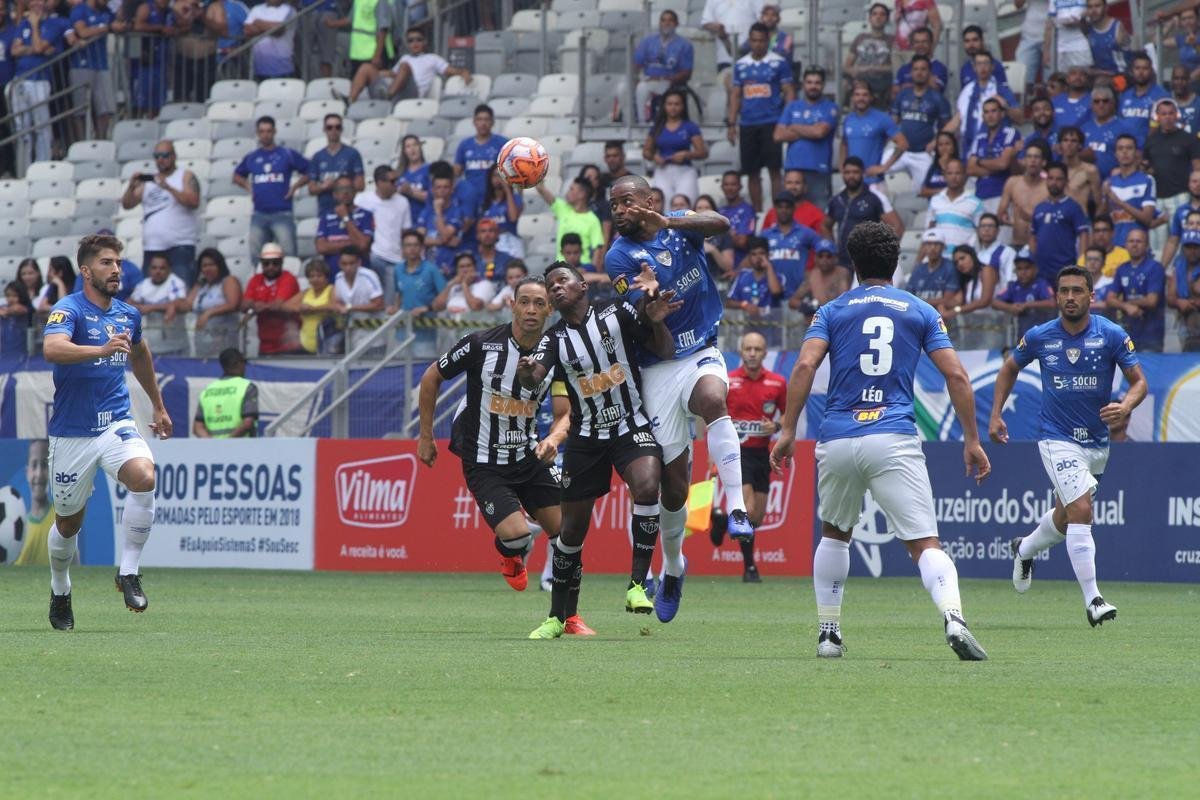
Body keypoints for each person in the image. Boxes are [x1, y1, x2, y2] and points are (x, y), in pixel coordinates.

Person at [771, 221, 991, 660]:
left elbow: (803, 368)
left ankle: (829, 634)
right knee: (925, 543)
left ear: (854, 265)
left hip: (838, 436)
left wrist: (789, 428)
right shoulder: (920, 310)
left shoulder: (832, 310)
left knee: (834, 534)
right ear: (897, 263)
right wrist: (972, 438)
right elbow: (956, 375)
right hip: (891, 434)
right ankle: (953, 618)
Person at [605, 174, 753, 623]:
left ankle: (738, 508)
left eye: (626, 202)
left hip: (703, 348)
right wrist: (651, 308)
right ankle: (674, 567)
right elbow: (643, 321)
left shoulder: (682, 225)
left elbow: (722, 223)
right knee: (673, 489)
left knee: (713, 399)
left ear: (649, 201)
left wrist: (669, 218)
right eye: (613, 205)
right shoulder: (618, 257)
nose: (619, 211)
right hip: (657, 366)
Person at [518, 262, 678, 638]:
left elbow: (665, 349)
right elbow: (533, 376)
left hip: (630, 424)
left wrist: (655, 322)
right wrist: (526, 370)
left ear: (582, 286)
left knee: (647, 486)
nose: (555, 288)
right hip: (587, 438)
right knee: (571, 532)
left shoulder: (617, 312)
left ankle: (638, 585)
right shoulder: (553, 339)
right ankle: (558, 616)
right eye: (550, 285)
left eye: (562, 281)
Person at [990, 265, 1145, 627]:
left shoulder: (1111, 335)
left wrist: (1126, 405)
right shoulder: (1040, 336)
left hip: (1096, 443)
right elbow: (1009, 368)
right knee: (1080, 509)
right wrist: (996, 415)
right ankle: (1094, 600)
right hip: (1056, 437)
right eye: (1064, 291)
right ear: (1056, 295)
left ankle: (1024, 548)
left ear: (1092, 296)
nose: (1070, 297)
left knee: (1065, 516)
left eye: (1078, 291)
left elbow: (1139, 383)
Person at [42, 234, 173, 630]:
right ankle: (61, 588)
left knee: (144, 476)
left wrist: (158, 404)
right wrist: (98, 351)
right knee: (69, 523)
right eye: (106, 263)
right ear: (86, 270)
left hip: (115, 422)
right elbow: (52, 349)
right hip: (72, 434)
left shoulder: (127, 314)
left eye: (117, 262)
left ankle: (128, 572)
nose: (116, 269)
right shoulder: (68, 310)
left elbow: (139, 353)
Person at [417, 277, 566, 598]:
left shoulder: (557, 355)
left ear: (550, 310)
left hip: (528, 455)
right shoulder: (480, 343)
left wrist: (554, 437)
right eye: (524, 301)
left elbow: (565, 412)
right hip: (484, 460)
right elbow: (431, 377)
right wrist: (425, 436)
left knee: (566, 532)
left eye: (539, 304)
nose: (530, 310)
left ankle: (568, 614)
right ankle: (512, 553)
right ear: (511, 305)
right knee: (517, 536)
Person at [716, 331, 786, 582]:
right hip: (736, 452)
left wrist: (776, 427)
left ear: (765, 353)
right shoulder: (728, 380)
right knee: (747, 507)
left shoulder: (777, 382)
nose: (753, 353)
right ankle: (750, 568)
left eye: (757, 349)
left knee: (757, 517)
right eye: (748, 349)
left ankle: (722, 521)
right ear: (741, 351)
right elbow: (711, 416)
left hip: (762, 454)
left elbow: (787, 416)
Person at [728, 22, 794, 212]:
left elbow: (789, 91)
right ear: (750, 41)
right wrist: (732, 123)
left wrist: (786, 120)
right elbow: (735, 95)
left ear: (767, 41)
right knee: (752, 172)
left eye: (762, 41)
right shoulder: (741, 65)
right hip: (748, 123)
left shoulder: (779, 62)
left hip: (771, 122)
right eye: (754, 40)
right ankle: (757, 213)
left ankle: (775, 212)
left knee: (774, 171)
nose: (758, 44)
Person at [121, 141, 201, 285]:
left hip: (180, 245)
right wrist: (131, 186)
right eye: (157, 156)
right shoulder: (150, 181)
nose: (160, 160)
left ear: (174, 156)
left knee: (181, 289)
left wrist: (168, 187)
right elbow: (127, 204)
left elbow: (194, 201)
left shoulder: (185, 176)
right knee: (149, 292)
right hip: (152, 247)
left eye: (165, 155)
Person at [234, 116, 310, 262]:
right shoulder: (252, 157)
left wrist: (295, 187)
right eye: (262, 131)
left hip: (282, 212)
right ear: (257, 133)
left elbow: (310, 170)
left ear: (274, 132)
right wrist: (249, 187)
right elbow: (237, 175)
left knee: (289, 256)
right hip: (259, 214)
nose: (265, 134)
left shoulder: (286, 154)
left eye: (269, 131)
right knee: (257, 257)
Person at [11, 0, 72, 162]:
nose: (35, 4)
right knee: (22, 129)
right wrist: (33, 49)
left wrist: (35, 26)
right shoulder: (23, 24)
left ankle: (41, 166)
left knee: (42, 127)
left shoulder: (53, 24)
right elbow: (14, 50)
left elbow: (39, 47)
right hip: (21, 80)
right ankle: (23, 169)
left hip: (40, 80)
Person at [346, 25, 470, 102]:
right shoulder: (405, 57)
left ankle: (388, 96)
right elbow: (393, 74)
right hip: (396, 88)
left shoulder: (433, 58)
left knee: (404, 66)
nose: (414, 43)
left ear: (425, 42)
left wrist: (463, 72)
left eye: (418, 40)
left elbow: (449, 70)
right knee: (366, 67)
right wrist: (375, 74)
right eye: (411, 41)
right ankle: (350, 100)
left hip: (412, 94)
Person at [775, 66, 839, 211]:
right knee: (791, 215)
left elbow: (820, 133)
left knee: (819, 214)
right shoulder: (792, 106)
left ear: (823, 85)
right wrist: (810, 128)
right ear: (803, 84)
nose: (813, 86)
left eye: (817, 83)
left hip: (818, 171)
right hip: (793, 170)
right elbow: (778, 135)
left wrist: (794, 126)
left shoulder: (830, 107)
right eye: (809, 82)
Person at [824, 157, 904, 268]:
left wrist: (882, 253)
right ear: (842, 174)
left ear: (863, 173)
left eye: (855, 172)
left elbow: (898, 226)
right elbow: (825, 226)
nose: (851, 176)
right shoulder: (836, 200)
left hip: (867, 261)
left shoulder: (876, 197)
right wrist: (832, 249)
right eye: (847, 172)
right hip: (842, 262)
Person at [1144, 99, 1200, 255]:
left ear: (1176, 115)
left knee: (1179, 242)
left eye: (1170, 113)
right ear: (1158, 116)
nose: (1167, 117)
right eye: (1163, 114)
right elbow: (1146, 165)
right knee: (1156, 245)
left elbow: (1197, 167)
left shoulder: (1188, 139)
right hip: (1157, 198)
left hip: (1180, 195)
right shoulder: (1151, 140)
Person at [888, 56, 950, 188]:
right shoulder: (903, 95)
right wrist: (895, 139)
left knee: (923, 192)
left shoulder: (938, 98)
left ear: (929, 73)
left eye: (923, 69)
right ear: (911, 72)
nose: (919, 72)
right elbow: (892, 123)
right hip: (901, 151)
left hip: (923, 153)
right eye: (916, 69)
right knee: (875, 171)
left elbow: (947, 128)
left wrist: (935, 142)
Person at [67, 0, 125, 140]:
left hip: (101, 64)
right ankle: (81, 142)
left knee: (105, 108)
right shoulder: (79, 10)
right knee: (80, 109)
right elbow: (83, 32)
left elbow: (119, 21)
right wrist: (107, 28)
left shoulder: (105, 11)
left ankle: (101, 140)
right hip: (81, 64)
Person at [841, 81, 908, 196]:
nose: (861, 98)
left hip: (874, 183)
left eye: (865, 95)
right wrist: (843, 170)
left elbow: (903, 143)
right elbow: (844, 144)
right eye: (857, 95)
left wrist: (884, 167)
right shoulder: (848, 119)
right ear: (852, 98)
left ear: (871, 98)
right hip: (851, 182)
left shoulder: (882, 118)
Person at [945, 51, 1020, 151]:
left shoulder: (1002, 90)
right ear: (974, 68)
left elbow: (1020, 119)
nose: (983, 67)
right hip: (968, 145)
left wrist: (1005, 106)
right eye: (979, 64)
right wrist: (940, 137)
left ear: (992, 67)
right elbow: (959, 118)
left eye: (986, 63)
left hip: (994, 146)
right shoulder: (967, 90)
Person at [1106, 228, 1166, 352]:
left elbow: (1152, 300)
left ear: (1147, 245)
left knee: (1149, 370)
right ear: (1126, 245)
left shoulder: (1155, 267)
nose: (1134, 244)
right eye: (1131, 241)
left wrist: (1129, 303)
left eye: (1139, 241)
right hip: (1128, 333)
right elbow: (1110, 298)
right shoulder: (1122, 268)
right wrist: (1126, 306)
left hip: (1151, 333)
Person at [1030, 162, 1091, 283]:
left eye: (1059, 179)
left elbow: (1083, 235)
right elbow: (1032, 236)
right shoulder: (1039, 208)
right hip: (1041, 272)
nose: (1054, 182)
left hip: (1066, 270)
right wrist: (1033, 261)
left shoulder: (1073, 207)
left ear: (1066, 182)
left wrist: (1081, 263)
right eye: (1051, 178)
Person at [645, 88, 706, 208]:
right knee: (664, 206)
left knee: (685, 206)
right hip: (663, 170)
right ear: (664, 106)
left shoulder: (690, 127)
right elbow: (646, 151)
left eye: (677, 104)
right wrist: (654, 157)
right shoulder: (657, 127)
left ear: (683, 106)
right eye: (670, 104)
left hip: (685, 170)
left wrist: (686, 155)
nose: (673, 107)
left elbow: (703, 152)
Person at [633, 9, 694, 124]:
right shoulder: (648, 41)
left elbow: (686, 72)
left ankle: (646, 123)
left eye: (670, 20)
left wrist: (664, 79)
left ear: (676, 24)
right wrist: (636, 77)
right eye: (663, 20)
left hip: (669, 82)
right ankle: (634, 122)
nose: (666, 23)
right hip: (646, 79)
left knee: (643, 88)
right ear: (659, 23)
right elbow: (637, 64)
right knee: (624, 88)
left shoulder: (684, 44)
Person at [241, 243, 302, 355]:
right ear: (261, 263)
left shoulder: (288, 278)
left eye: (275, 263)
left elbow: (277, 305)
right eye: (266, 263)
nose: (270, 267)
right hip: (265, 344)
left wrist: (256, 306)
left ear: (281, 262)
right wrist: (259, 306)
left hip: (288, 344)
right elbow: (244, 305)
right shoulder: (255, 279)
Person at [1103, 134, 1160, 248]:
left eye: (1129, 148)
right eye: (1120, 148)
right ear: (1115, 154)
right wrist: (1105, 198)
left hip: (1137, 246)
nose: (1124, 152)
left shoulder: (1147, 180)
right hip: (1114, 248)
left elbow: (1147, 219)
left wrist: (1120, 203)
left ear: (1137, 153)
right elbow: (1102, 218)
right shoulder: (1109, 183)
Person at [967, 98, 1023, 214]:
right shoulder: (979, 138)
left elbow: (1003, 164)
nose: (990, 115)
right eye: (986, 112)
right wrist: (996, 166)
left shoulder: (1010, 133)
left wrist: (980, 162)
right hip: (980, 195)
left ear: (1002, 114)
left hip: (1001, 194)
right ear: (982, 116)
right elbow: (970, 169)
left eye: (993, 111)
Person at [535, 178, 606, 267]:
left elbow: (598, 249)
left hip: (582, 268)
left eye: (571, 189)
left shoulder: (593, 220)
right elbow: (540, 189)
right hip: (561, 266)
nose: (567, 192)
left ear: (582, 194)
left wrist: (593, 270)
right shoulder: (563, 209)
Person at [129, 252, 189, 356]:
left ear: (169, 269)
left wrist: (150, 307)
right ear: (149, 269)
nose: (157, 271)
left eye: (162, 268)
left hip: (176, 346)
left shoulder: (175, 282)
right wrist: (137, 308)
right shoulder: (143, 285)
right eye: (154, 268)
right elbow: (129, 303)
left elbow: (181, 304)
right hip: (152, 347)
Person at [316, 176, 375, 277]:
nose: (345, 192)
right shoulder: (326, 216)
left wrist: (345, 218)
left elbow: (363, 245)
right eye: (341, 189)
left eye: (349, 188)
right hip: (332, 276)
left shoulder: (366, 214)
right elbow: (321, 247)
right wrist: (351, 245)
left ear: (355, 192)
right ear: (334, 194)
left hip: (360, 277)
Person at [761, 192, 822, 289]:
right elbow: (752, 256)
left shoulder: (806, 233)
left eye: (787, 207)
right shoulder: (765, 234)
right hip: (770, 292)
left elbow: (824, 250)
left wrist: (813, 271)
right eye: (780, 207)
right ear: (775, 209)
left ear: (794, 209)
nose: (784, 210)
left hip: (797, 291)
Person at [193, 348, 258, 438]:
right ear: (239, 363)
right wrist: (226, 444)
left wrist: (213, 445)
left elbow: (198, 427)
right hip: (242, 448)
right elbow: (247, 423)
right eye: (244, 363)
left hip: (214, 450)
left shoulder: (208, 390)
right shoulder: (247, 387)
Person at [307, 113, 365, 215]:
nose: (333, 130)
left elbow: (361, 185)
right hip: (325, 210)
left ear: (341, 129)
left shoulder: (352, 154)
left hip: (348, 209)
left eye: (337, 127)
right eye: (329, 127)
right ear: (324, 130)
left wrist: (340, 186)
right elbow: (311, 189)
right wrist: (323, 187)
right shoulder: (317, 157)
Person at [992, 246, 1056, 336]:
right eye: (1019, 268)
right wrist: (1010, 307)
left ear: (1035, 269)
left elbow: (1052, 303)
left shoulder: (1041, 284)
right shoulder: (1013, 286)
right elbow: (994, 302)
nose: (1023, 272)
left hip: (1043, 335)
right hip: (1020, 337)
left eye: (1027, 268)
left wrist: (1027, 305)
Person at [998, 140, 1050, 247]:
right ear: (1023, 161)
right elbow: (1000, 213)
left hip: (1040, 245)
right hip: (1017, 244)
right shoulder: (1012, 182)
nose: (1033, 160)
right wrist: (1007, 219)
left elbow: (1054, 217)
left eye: (1036, 157)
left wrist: (1029, 217)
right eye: (1029, 157)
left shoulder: (1049, 186)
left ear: (1043, 162)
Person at [927, 159, 984, 251]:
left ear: (965, 176)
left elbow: (981, 234)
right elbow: (929, 231)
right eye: (950, 173)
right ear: (944, 176)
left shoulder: (976, 203)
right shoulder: (935, 200)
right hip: (940, 259)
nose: (954, 177)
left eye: (958, 173)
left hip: (963, 260)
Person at [844, 4, 894, 107]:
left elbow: (895, 67)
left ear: (887, 19)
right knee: (845, 84)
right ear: (870, 18)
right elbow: (847, 66)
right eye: (874, 14)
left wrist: (871, 68)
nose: (878, 17)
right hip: (860, 82)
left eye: (882, 14)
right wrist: (854, 71)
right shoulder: (860, 38)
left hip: (882, 82)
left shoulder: (892, 40)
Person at [13, 440, 54, 565]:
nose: (39, 473)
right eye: (34, 465)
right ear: (27, 472)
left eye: (44, 465)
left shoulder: (61, 519)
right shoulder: (18, 528)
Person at [331, 245, 384, 342]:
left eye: (351, 263)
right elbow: (336, 301)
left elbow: (379, 304)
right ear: (339, 264)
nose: (348, 267)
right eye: (344, 264)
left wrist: (349, 307)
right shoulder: (338, 278)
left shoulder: (370, 276)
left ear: (359, 263)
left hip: (373, 334)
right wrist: (339, 308)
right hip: (352, 334)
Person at [454, 104, 507, 200]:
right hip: (471, 197)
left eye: (486, 120)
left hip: (494, 197)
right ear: (474, 122)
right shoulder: (465, 145)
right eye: (479, 119)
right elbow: (456, 172)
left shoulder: (502, 144)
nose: (483, 123)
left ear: (492, 122)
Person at [285, 258, 338, 354]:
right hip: (306, 342)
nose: (315, 279)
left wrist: (313, 309)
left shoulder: (332, 289)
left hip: (328, 343)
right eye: (312, 276)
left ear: (326, 277)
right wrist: (301, 308)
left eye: (319, 276)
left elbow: (334, 306)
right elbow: (286, 306)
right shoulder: (306, 292)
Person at [1117, 52, 1169, 148]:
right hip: (1126, 151)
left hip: (1150, 150)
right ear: (1132, 71)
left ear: (1151, 71)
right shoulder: (1124, 96)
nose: (1141, 72)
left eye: (1145, 68)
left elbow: (1161, 127)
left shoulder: (1161, 96)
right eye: (1137, 68)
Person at [788, 239, 851, 316]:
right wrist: (811, 307)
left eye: (828, 256)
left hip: (838, 318)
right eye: (820, 256)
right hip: (819, 321)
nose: (824, 260)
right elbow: (792, 301)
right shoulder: (812, 275)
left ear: (835, 258)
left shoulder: (842, 273)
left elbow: (843, 301)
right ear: (815, 258)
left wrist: (821, 308)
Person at [1080, 86, 1130, 180]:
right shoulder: (1083, 128)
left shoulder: (1124, 128)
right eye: (1096, 101)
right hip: (1088, 182)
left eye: (1105, 101)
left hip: (1115, 181)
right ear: (1091, 104)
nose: (1101, 105)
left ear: (1112, 103)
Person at [726, 236, 785, 314]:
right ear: (749, 257)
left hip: (771, 324)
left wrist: (768, 266)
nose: (758, 257)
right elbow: (728, 302)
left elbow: (776, 292)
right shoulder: (742, 276)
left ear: (768, 255)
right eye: (753, 254)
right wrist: (744, 305)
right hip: (747, 324)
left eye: (762, 253)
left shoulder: (778, 277)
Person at [700, 0, 760, 72]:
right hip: (724, 57)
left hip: (750, 57)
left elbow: (762, 20)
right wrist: (716, 27)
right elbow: (705, 22)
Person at [242, 0, 296, 80]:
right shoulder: (256, 9)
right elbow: (247, 31)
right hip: (258, 67)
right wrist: (270, 27)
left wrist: (257, 22)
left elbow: (278, 31)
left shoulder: (289, 10)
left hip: (282, 68)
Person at [904, 230, 957, 309]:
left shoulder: (951, 268)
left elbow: (948, 300)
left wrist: (922, 302)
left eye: (936, 244)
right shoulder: (918, 269)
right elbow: (908, 297)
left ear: (943, 247)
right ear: (924, 247)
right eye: (929, 244)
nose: (932, 248)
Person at [480, 165, 523, 259]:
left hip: (510, 242)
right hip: (492, 243)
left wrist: (507, 190)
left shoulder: (515, 198)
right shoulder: (485, 201)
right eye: (495, 176)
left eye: (501, 176)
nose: (497, 179)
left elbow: (513, 217)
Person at [1166, 228, 1200, 350]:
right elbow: (1170, 298)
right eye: (1188, 247)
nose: (1192, 251)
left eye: (1196, 247)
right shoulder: (1179, 269)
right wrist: (1179, 302)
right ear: (1183, 249)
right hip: (1186, 327)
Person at [717, 170, 757, 269]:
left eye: (733, 184)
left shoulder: (748, 210)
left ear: (740, 186)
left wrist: (723, 233)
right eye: (726, 184)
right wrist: (731, 235)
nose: (729, 188)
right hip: (720, 265)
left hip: (740, 266)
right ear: (722, 187)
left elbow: (742, 242)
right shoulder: (719, 211)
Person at [1160, 170, 1200, 267]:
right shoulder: (1181, 210)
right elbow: (1173, 241)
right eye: (1194, 181)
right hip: (1186, 262)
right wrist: (1161, 269)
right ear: (1189, 184)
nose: (1198, 185)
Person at [893, 27, 949, 95]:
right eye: (917, 42)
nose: (920, 45)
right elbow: (895, 92)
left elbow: (936, 89)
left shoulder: (940, 68)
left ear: (931, 43)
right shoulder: (904, 69)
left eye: (924, 42)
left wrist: (906, 86)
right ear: (912, 45)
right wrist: (925, 83)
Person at [1058, 125, 1102, 212]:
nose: (1069, 144)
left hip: (1081, 220)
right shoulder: (1055, 170)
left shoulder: (1090, 170)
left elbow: (1099, 203)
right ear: (1060, 145)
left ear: (1080, 145)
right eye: (1065, 140)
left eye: (1073, 141)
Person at [1083, 0, 1129, 79]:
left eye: (1097, 6)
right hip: (1096, 78)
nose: (1094, 10)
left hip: (1118, 78)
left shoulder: (1117, 27)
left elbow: (1129, 56)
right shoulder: (1087, 29)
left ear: (1106, 8)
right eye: (1090, 7)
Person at [1077, 213, 1129, 277]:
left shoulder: (1125, 255)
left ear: (1113, 233)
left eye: (1105, 230)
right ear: (1093, 234)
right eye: (1097, 231)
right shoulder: (1084, 259)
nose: (1101, 234)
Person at [1045, 0, 1092, 71]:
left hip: (1080, 45)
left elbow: (1094, 17)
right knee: (1062, 78)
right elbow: (1049, 24)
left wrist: (1082, 20)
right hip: (1060, 47)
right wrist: (1046, 51)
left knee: (1082, 76)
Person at [1014, 0, 1048, 88]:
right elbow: (1018, 5)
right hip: (1029, 34)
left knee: (1050, 80)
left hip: (1053, 36)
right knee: (1022, 76)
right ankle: (1026, 100)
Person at [397, 134, 431, 223]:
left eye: (415, 145)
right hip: (403, 221)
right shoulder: (399, 173)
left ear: (420, 147)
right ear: (404, 151)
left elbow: (434, 196)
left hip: (424, 219)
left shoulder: (430, 169)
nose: (412, 149)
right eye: (408, 146)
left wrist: (411, 192)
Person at [977, 213, 1018, 285]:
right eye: (983, 226)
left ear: (998, 231)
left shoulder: (1008, 252)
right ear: (978, 231)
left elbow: (1011, 280)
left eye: (990, 226)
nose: (986, 229)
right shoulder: (977, 255)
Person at [919, 131, 960, 199]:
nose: (944, 148)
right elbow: (923, 191)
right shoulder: (933, 167)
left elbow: (957, 189)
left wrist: (944, 166)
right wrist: (941, 191)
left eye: (947, 144)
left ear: (953, 147)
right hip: (934, 204)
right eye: (940, 145)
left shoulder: (961, 166)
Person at [1052, 66, 1093, 130]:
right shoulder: (1055, 101)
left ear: (1087, 79)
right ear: (1067, 78)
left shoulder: (1095, 101)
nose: (1078, 77)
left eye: (1082, 74)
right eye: (1073, 74)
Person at [0, 280, 32, 355]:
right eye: (8, 296)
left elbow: (17, 309)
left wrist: (6, 311)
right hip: (6, 347)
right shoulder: (4, 307)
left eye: (14, 296)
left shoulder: (26, 308)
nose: (10, 299)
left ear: (22, 296)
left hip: (22, 348)